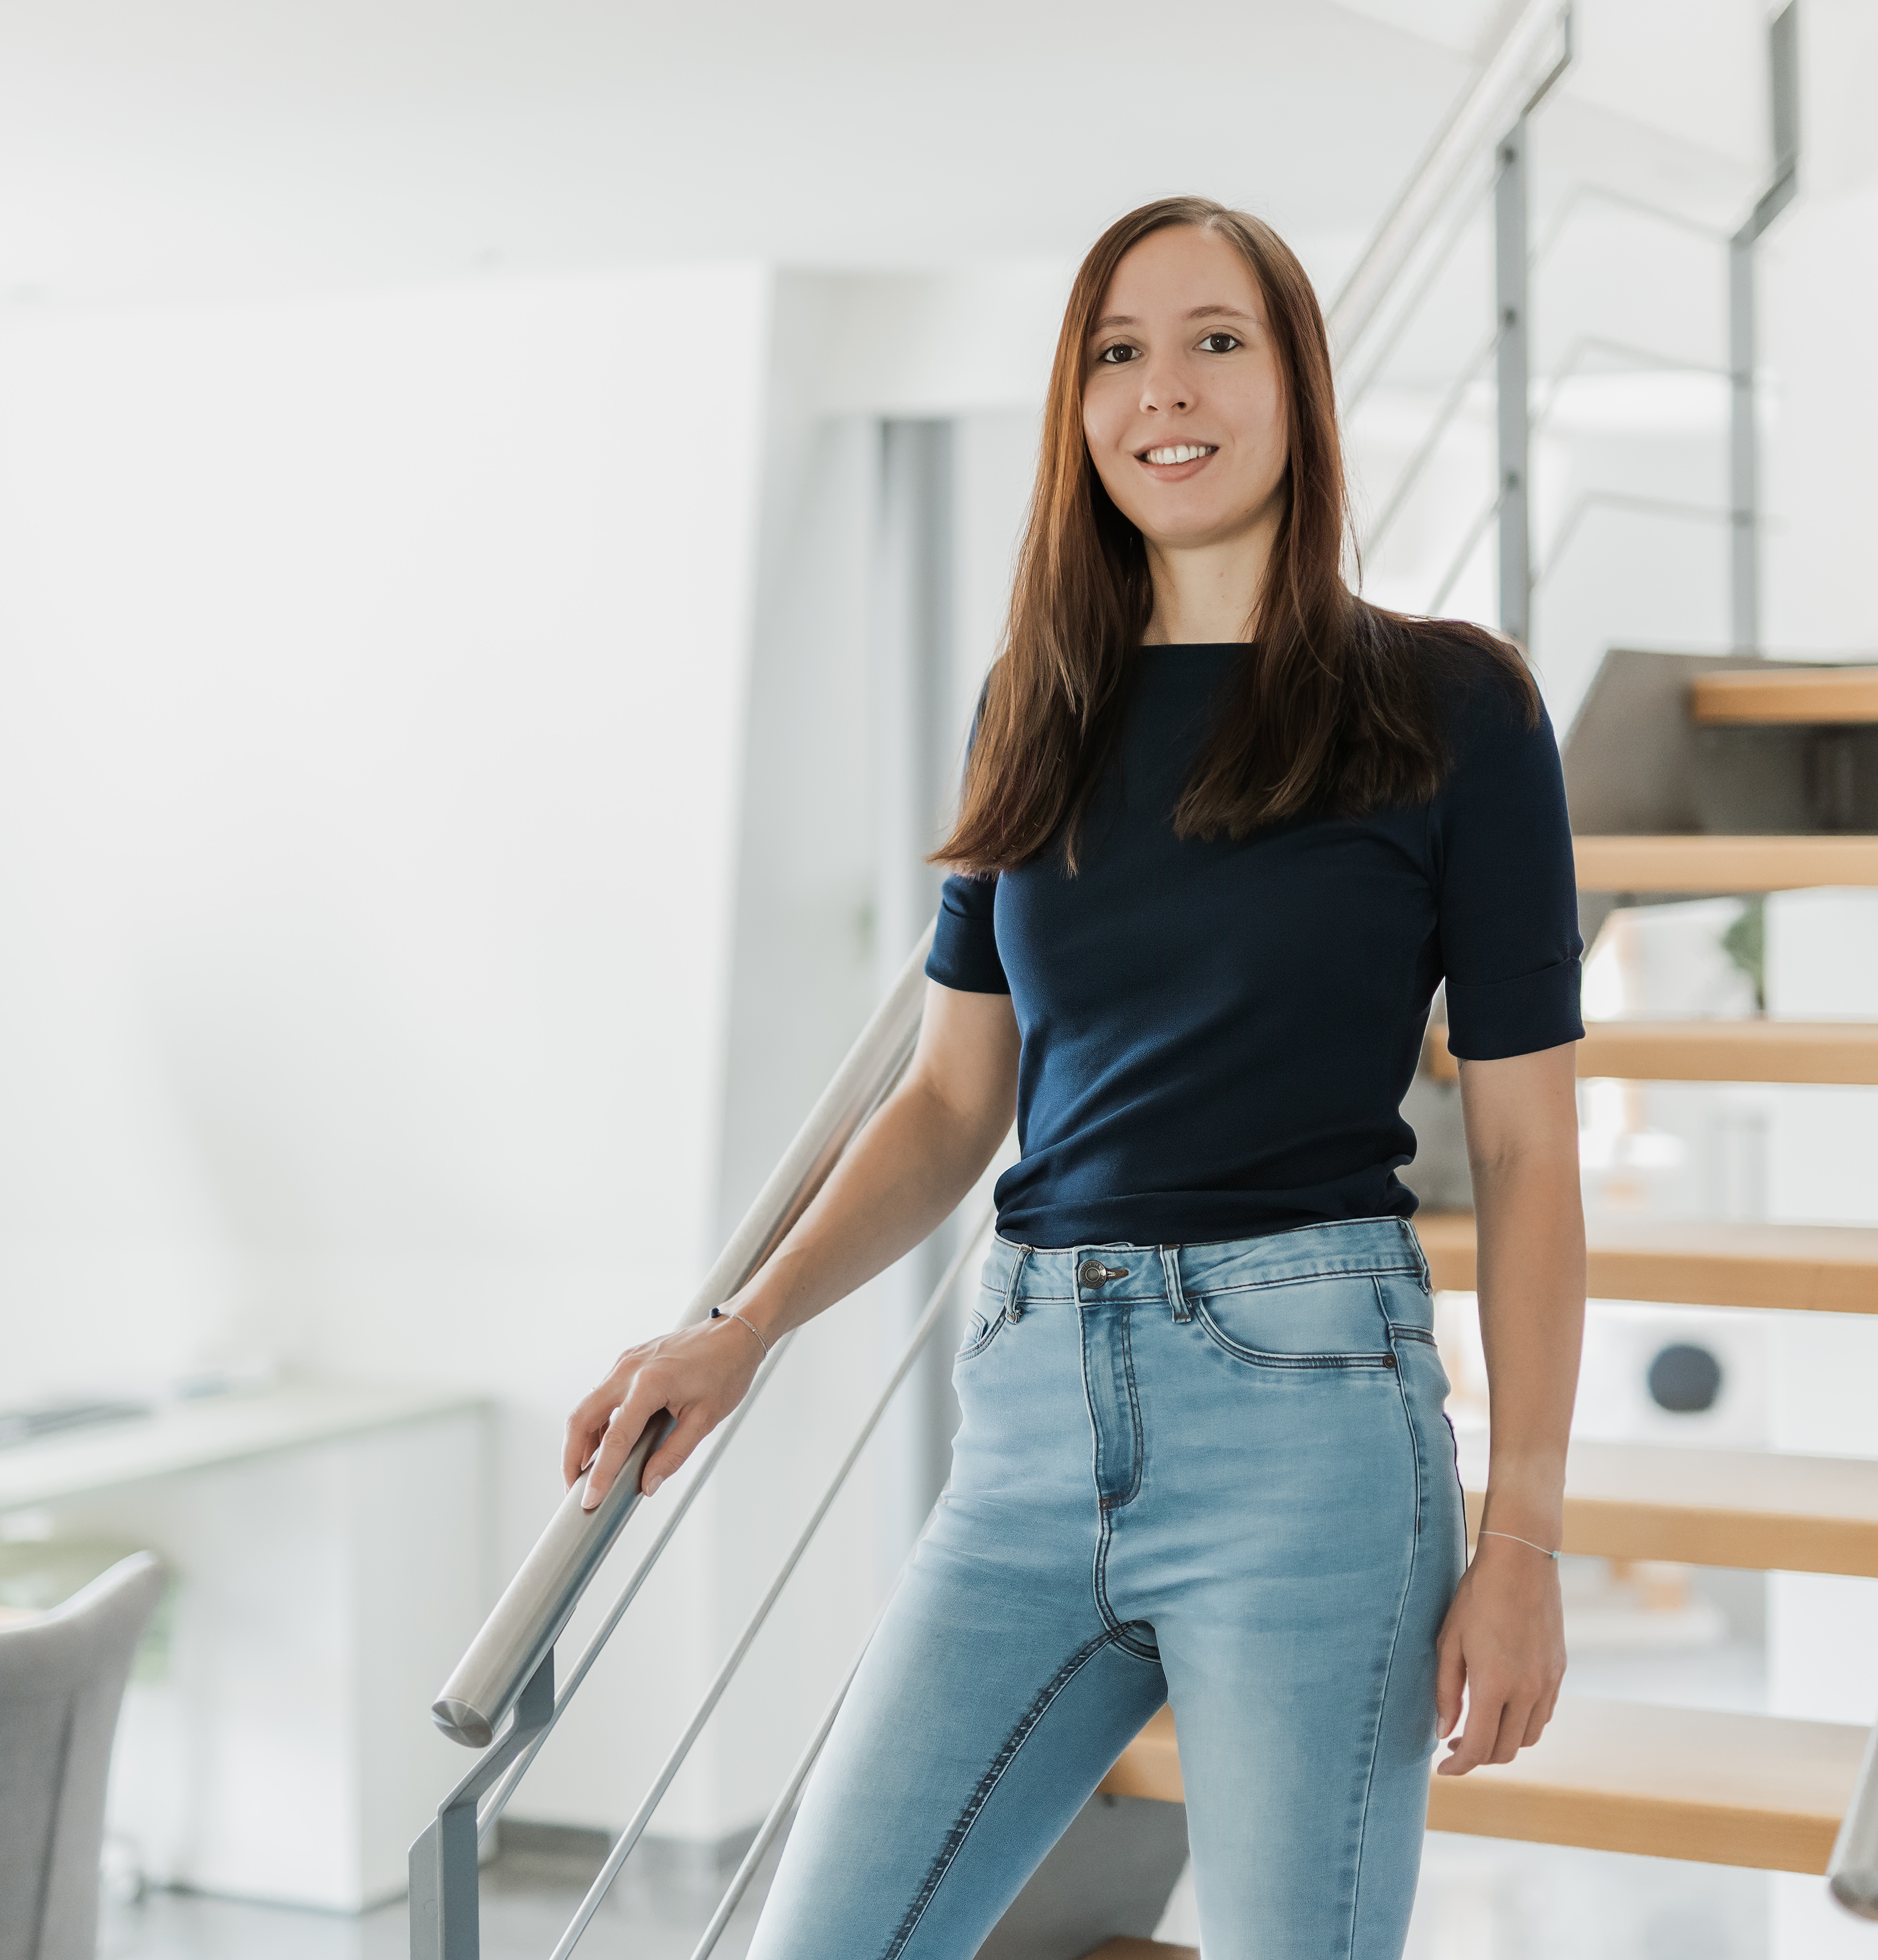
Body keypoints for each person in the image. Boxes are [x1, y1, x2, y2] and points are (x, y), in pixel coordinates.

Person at [562, 195, 1586, 1960]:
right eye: (1117, 352)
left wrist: (1529, 1542)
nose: (1161, 391)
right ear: (1078, 405)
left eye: (1214, 341)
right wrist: (742, 1324)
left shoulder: (1449, 707)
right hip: (1030, 1415)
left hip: (1311, 1428)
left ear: (1298, 388)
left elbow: (1530, 1155)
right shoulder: (1030, 708)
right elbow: (956, 1105)